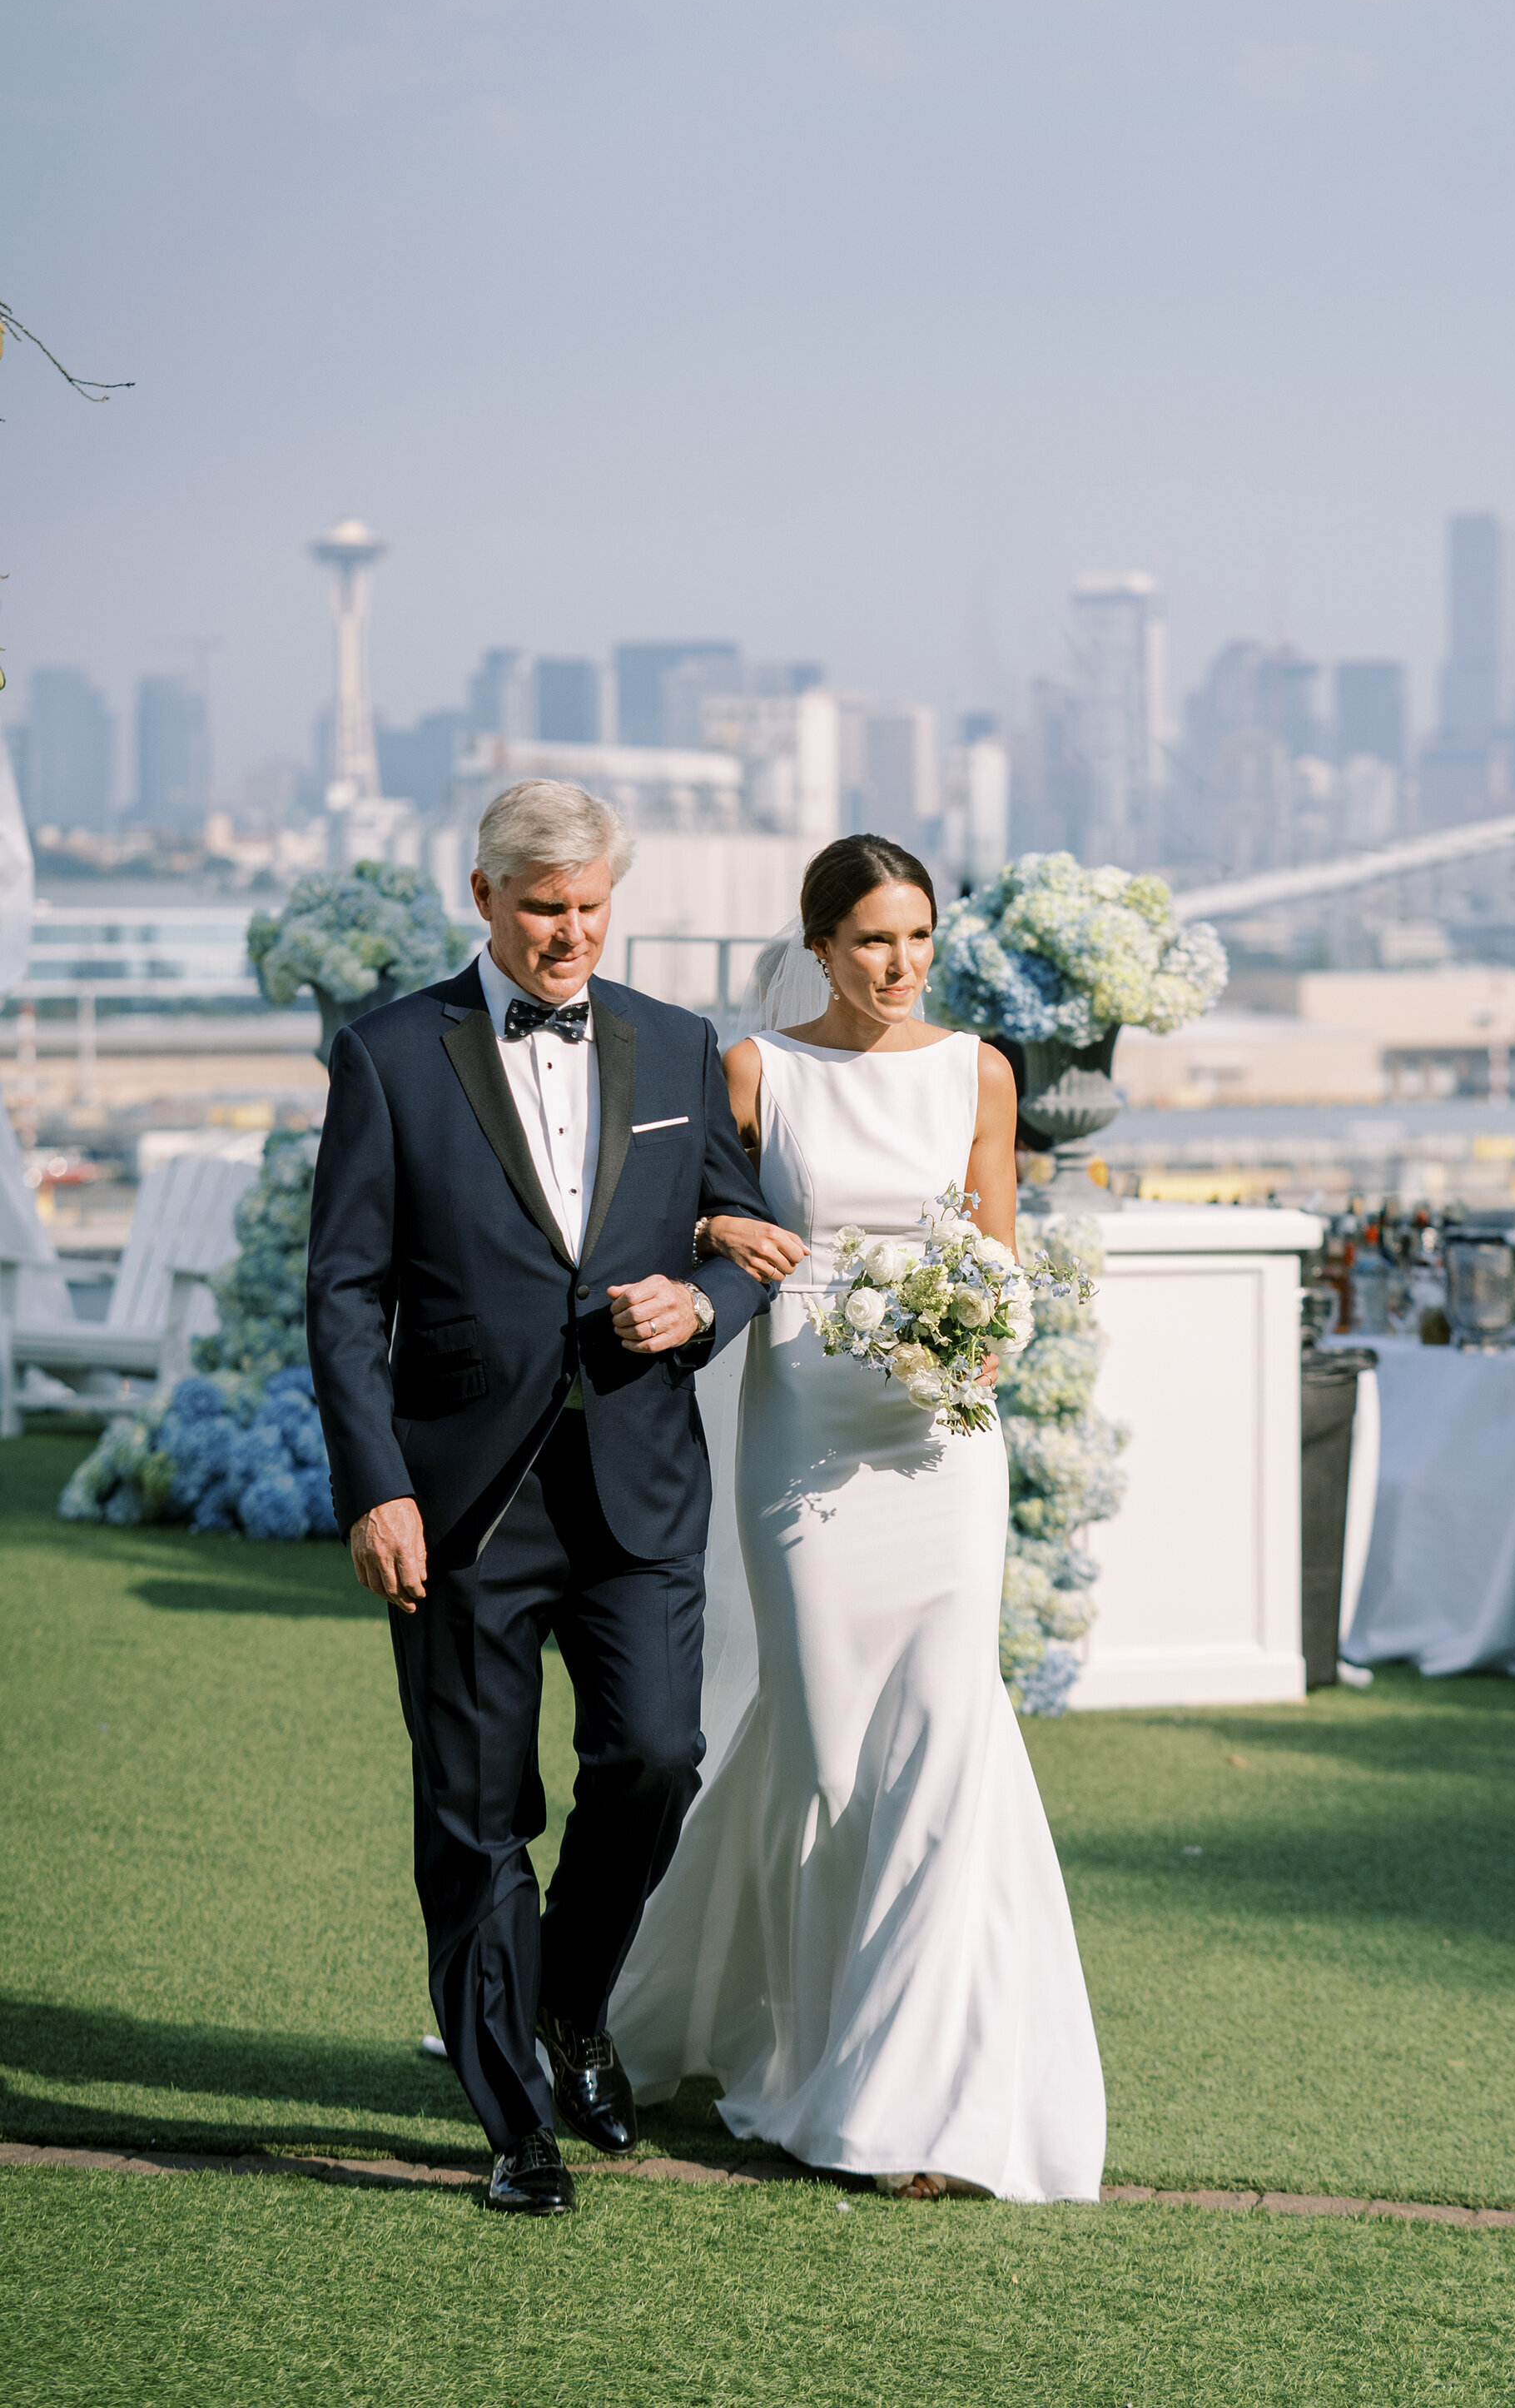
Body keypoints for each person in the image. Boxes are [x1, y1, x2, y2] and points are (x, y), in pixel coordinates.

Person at [606, 833, 1107, 2203]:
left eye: (918, 940)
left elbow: (995, 1253)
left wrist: (984, 1335)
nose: (899, 966)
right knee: (825, 1752)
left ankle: (911, 2100)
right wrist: (721, 1234)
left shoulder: (979, 1071)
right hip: (806, 1437)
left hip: (940, 1443)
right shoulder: (758, 1071)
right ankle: (766, 2031)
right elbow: (682, 1213)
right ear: (819, 946)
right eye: (872, 940)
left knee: (943, 1739)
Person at [305, 779, 775, 2217]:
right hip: (460, 1504)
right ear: (483, 899)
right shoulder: (388, 1056)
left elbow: (746, 1244)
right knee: (474, 1813)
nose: (569, 935)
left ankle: (573, 2009)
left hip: (636, 1485)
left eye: (589, 909)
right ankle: (516, 2124)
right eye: (541, 908)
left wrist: (692, 1309)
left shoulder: (679, 1045)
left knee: (653, 1760)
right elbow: (342, 1292)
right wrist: (376, 1487)